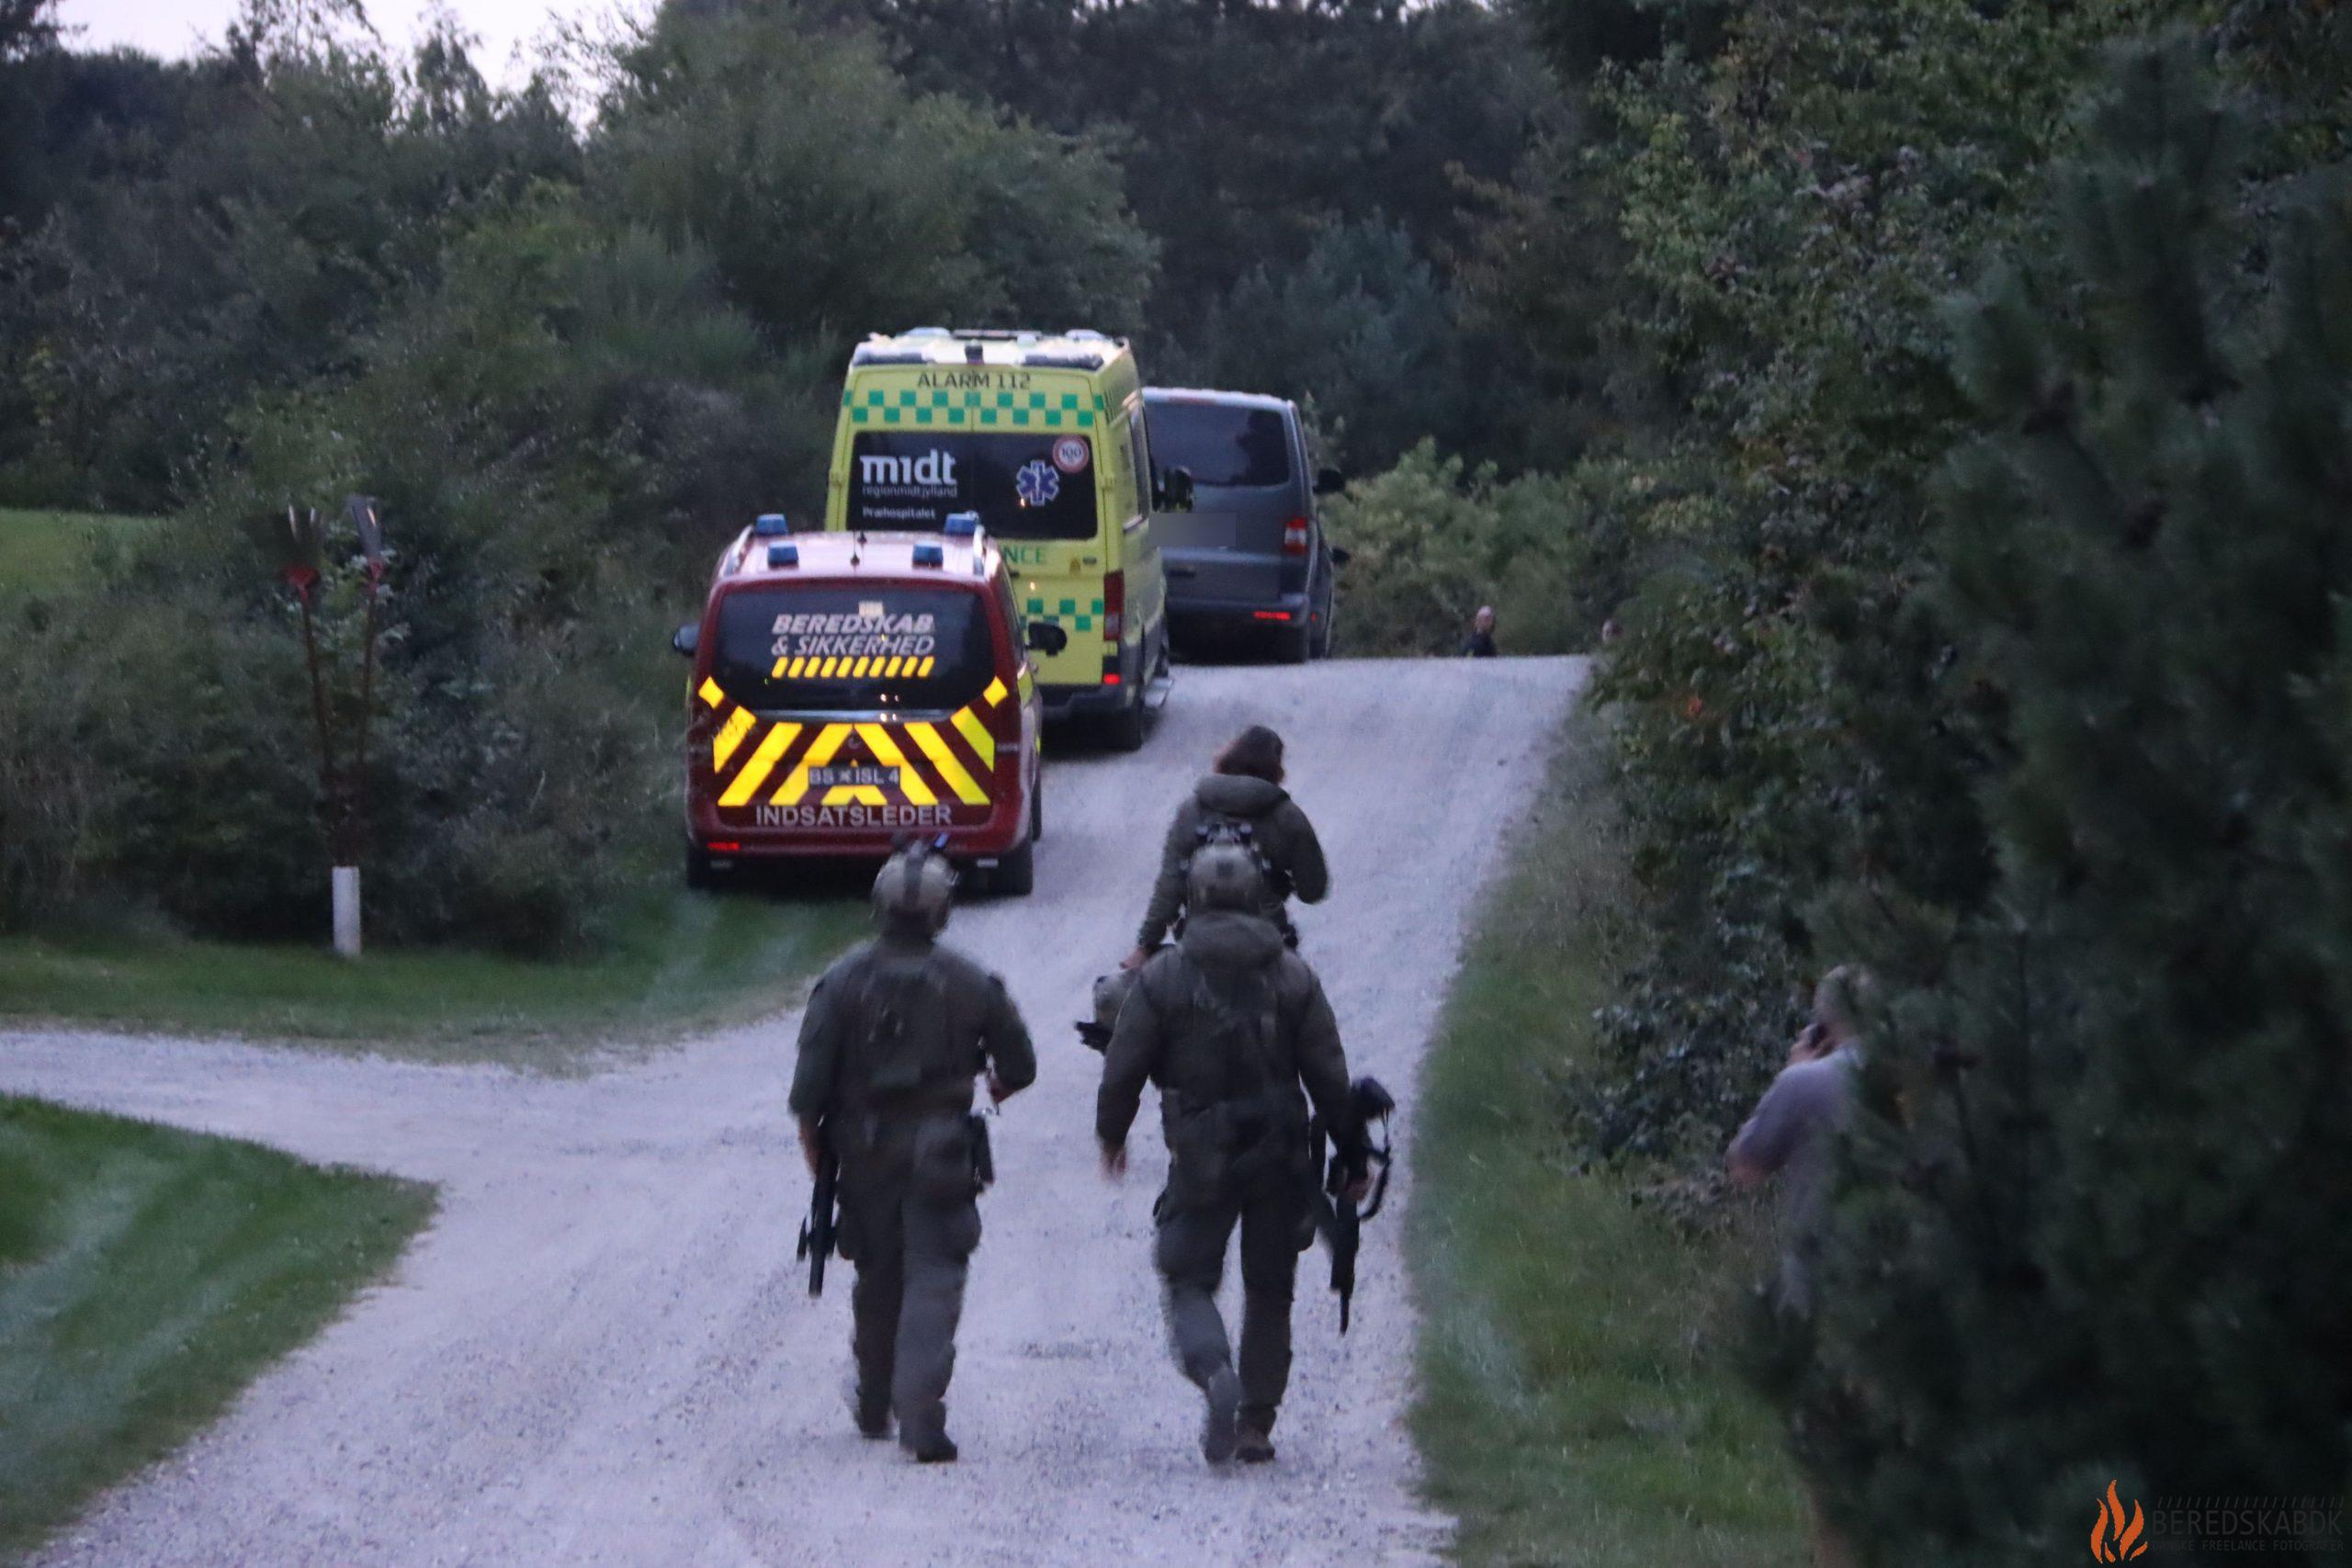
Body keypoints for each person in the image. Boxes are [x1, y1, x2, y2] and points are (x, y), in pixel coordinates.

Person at [1096, 841, 1367, 1465]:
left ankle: (1215, 1369)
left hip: (1200, 1154)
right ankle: (1255, 1421)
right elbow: (1329, 1073)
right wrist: (1351, 1157)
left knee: (1188, 1276)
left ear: (1190, 899)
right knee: (1271, 1288)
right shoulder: (1293, 974)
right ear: (1255, 896)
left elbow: (1124, 1064)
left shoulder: (1164, 976)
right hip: (1279, 1151)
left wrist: (1112, 1132)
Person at [788, 843, 1036, 1462]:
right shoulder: (971, 980)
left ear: (879, 907)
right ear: (942, 911)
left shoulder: (841, 981)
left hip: (864, 1149)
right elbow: (1019, 1064)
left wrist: (818, 1150)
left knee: (878, 1271)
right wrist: (997, 1084)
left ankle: (875, 1401)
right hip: (944, 1148)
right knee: (935, 1271)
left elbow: (809, 1091)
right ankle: (921, 1410)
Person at [1123, 725, 1327, 970]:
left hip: (1198, 943)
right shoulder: (1287, 817)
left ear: (1228, 758)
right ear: (1276, 768)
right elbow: (1313, 890)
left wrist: (1145, 946)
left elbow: (1170, 884)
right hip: (1266, 944)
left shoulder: (1192, 810)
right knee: (1302, 999)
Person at [1726, 965, 1870, 1315]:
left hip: (1821, 1267)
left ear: (1824, 1025)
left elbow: (1745, 1168)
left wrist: (1791, 1070)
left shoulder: (1804, 1082)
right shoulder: (1923, 1075)